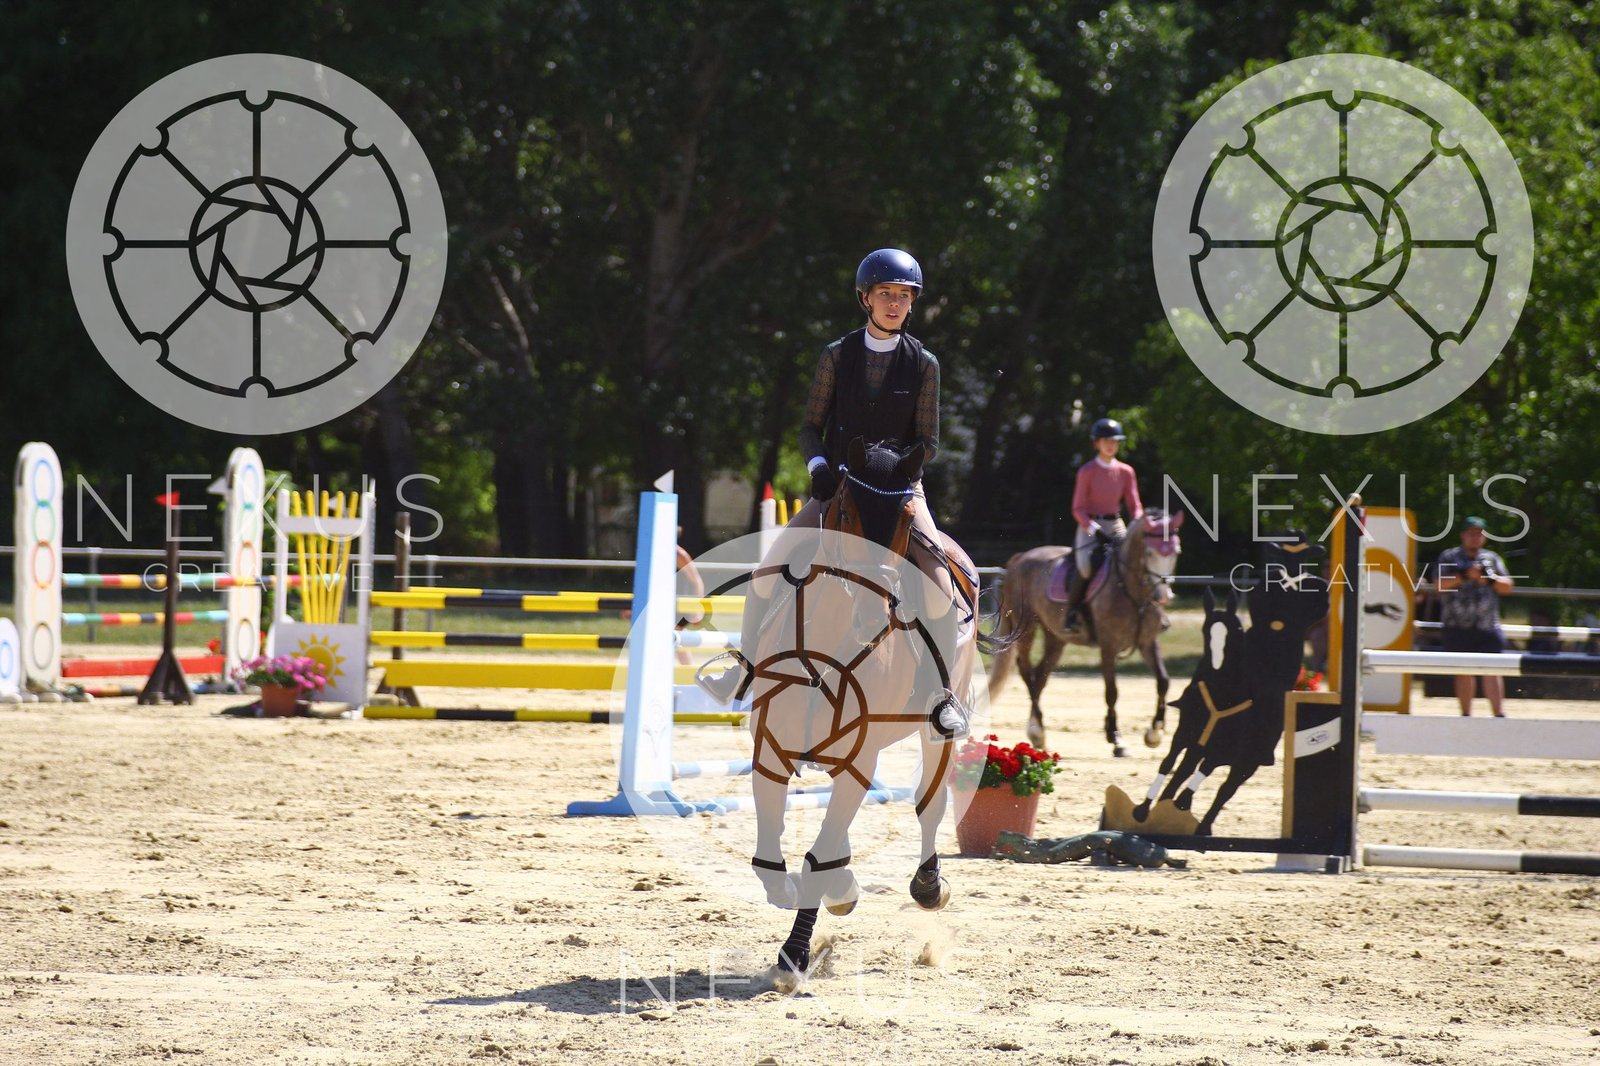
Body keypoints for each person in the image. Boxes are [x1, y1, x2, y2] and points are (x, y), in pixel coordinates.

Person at [697, 248, 962, 736]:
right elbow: (809, 427)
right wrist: (818, 465)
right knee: (768, 569)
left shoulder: (925, 364)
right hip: (839, 486)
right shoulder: (837, 355)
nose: (894, 303)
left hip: (900, 491)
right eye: (885, 293)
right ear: (866, 298)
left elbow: (929, 441)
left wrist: (899, 469)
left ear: (912, 303)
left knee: (941, 588)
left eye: (904, 296)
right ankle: (744, 666)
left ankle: (941, 696)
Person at [1063, 417, 1143, 636]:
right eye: (1106, 441)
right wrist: (1093, 529)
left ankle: (1145, 610)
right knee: (1086, 567)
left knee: (1135, 560)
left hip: (1116, 523)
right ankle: (1072, 613)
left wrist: (1139, 523)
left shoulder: (1126, 471)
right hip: (1090, 524)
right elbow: (1077, 508)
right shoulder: (1087, 471)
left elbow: (1134, 505)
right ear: (1096, 443)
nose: (1111, 445)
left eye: (1115, 441)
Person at [1434, 515, 1513, 716]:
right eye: (1471, 533)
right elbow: (1438, 585)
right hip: (1457, 625)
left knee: (1493, 670)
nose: (1475, 538)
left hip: (1487, 625)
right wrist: (1464, 575)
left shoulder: (1492, 558)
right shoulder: (1449, 557)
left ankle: (1499, 714)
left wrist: (1489, 579)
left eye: (1479, 534)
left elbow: (1508, 587)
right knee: (1463, 671)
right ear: (1463, 535)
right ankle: (1466, 714)